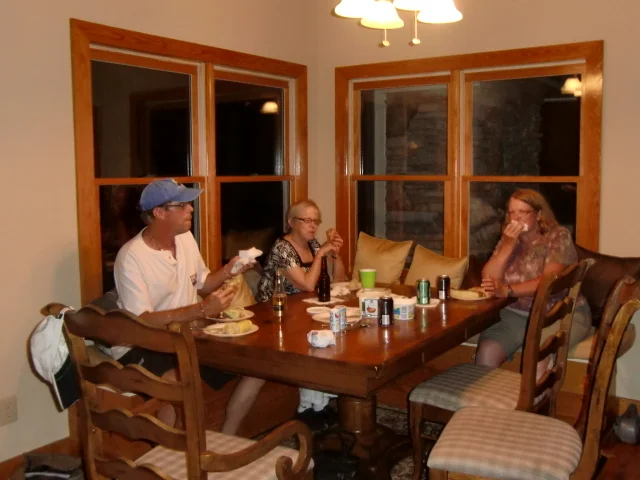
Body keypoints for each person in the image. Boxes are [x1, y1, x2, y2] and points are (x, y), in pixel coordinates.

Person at [114, 178, 265, 433]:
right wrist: (201, 310)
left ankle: (227, 438)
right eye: (182, 205)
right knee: (177, 380)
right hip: (143, 342)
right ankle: (167, 452)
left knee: (258, 366)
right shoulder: (131, 257)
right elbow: (141, 321)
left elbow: (202, 284)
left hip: (185, 335)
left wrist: (230, 270)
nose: (191, 209)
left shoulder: (184, 238)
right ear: (159, 212)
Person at [477, 188, 591, 378]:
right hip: (516, 315)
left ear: (538, 214)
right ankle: (491, 398)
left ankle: (535, 398)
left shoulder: (558, 236)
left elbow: (549, 282)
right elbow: (488, 279)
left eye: (523, 212)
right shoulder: (509, 240)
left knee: (538, 357)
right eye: (512, 212)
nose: (516, 218)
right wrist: (507, 246)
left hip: (558, 313)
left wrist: (508, 290)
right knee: (487, 352)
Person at [256, 199, 346, 429]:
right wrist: (321, 254)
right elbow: (306, 284)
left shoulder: (313, 244)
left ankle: (319, 404)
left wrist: (334, 254)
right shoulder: (282, 249)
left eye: (316, 221)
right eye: (306, 220)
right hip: (274, 314)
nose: (312, 226)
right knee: (316, 340)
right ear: (290, 222)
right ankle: (309, 408)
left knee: (337, 331)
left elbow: (339, 280)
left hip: (303, 309)